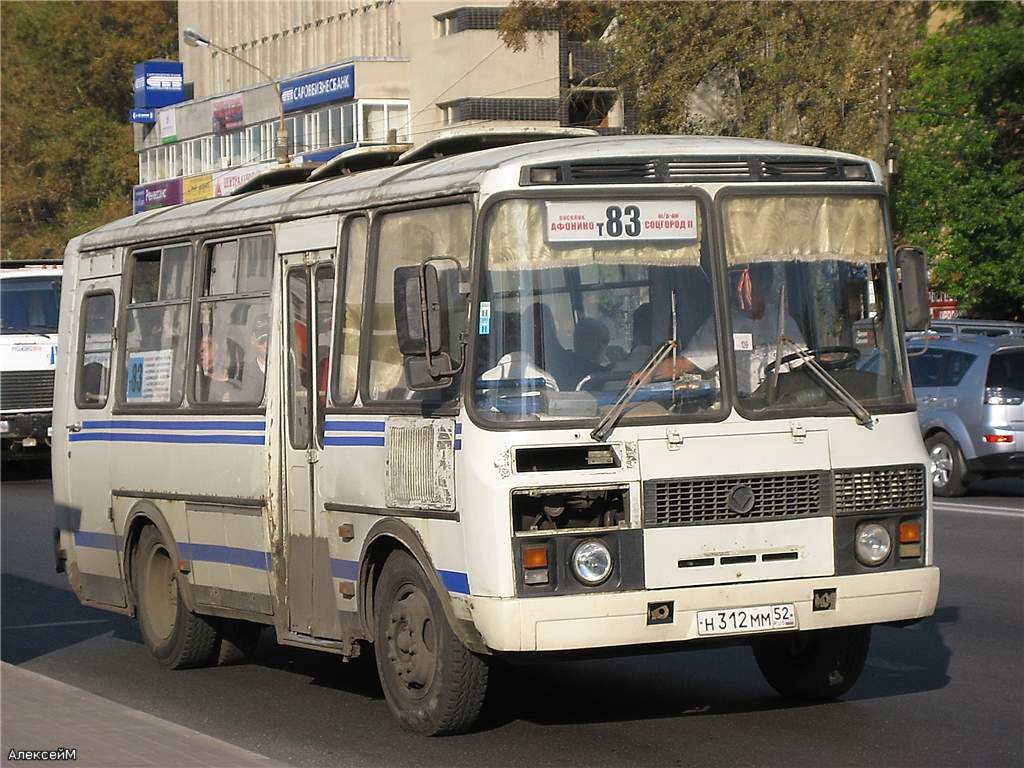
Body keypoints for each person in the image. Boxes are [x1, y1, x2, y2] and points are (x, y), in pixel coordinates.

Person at [635, 264, 806, 393]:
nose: (756, 290)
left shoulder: (782, 320)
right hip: (737, 410)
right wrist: (649, 374)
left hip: (780, 407)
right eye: (744, 284)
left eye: (763, 283)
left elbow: (804, 362)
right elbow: (686, 363)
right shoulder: (720, 324)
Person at [233, 316, 270, 403]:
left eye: (269, 338)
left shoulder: (288, 372)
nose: (266, 343)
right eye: (261, 338)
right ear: (253, 340)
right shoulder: (241, 374)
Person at [195, 334, 238, 403]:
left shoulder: (236, 375)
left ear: (215, 347)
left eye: (203, 350)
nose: (200, 354)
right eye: (198, 351)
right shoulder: (196, 383)